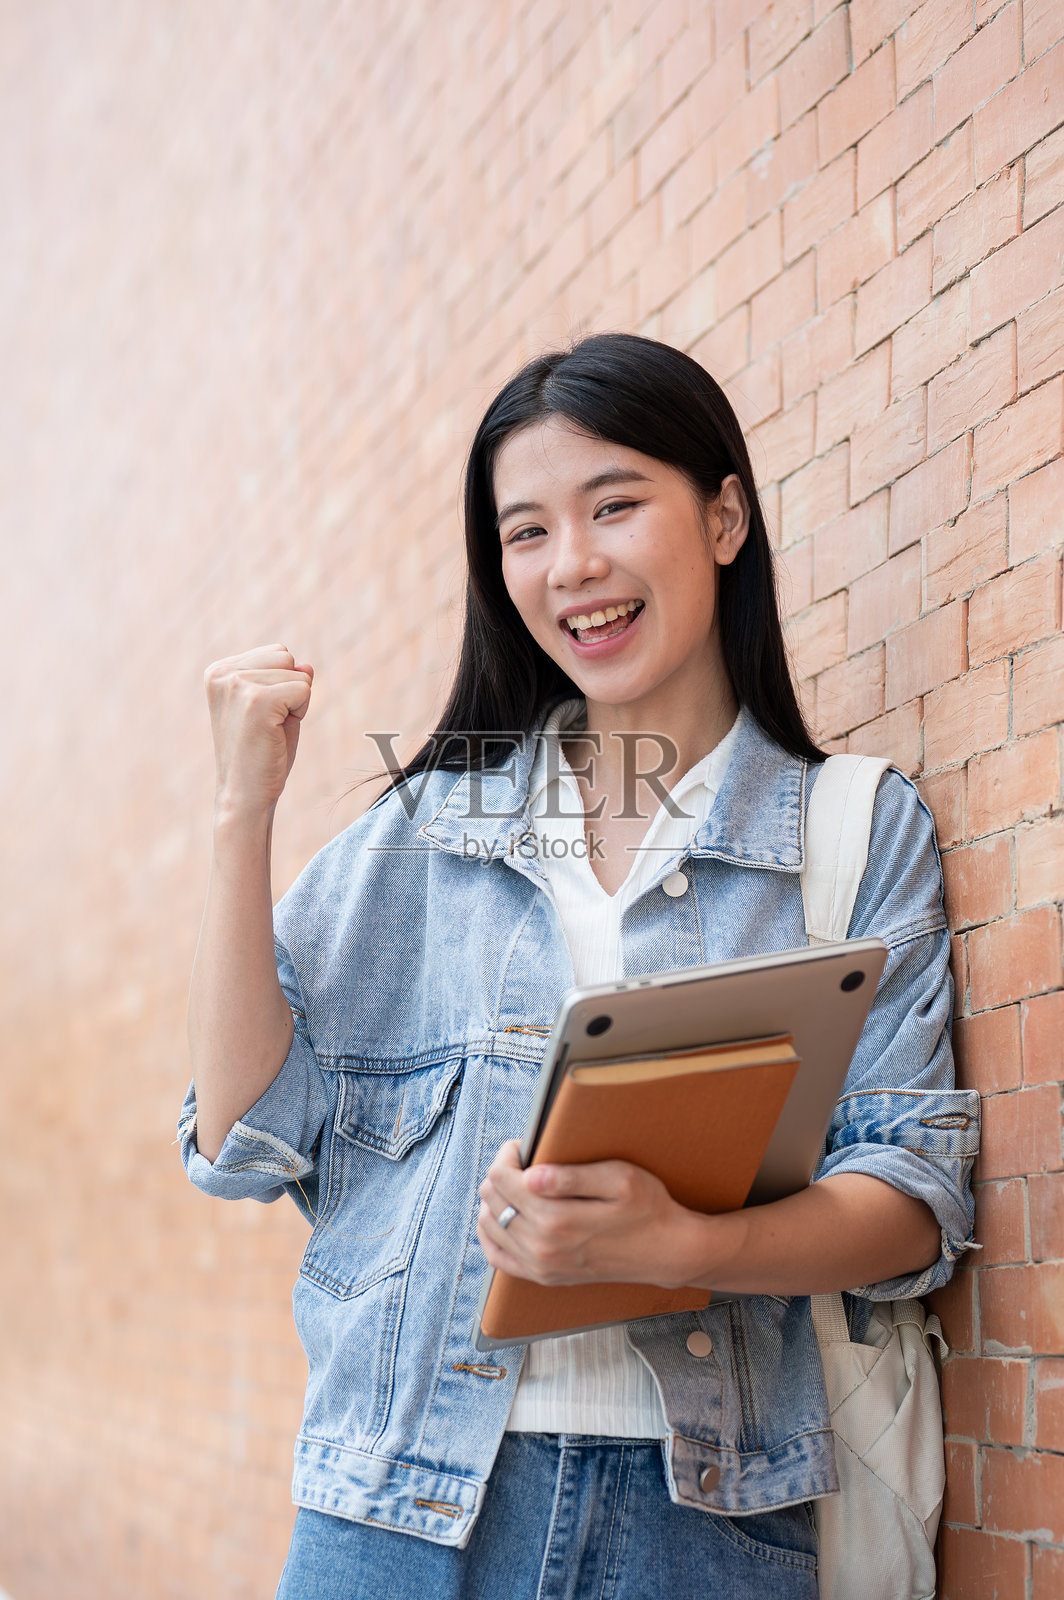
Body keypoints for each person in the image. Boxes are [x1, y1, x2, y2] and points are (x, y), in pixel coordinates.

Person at [180, 334, 978, 1599]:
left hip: (702, 1527)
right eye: (526, 532)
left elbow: (910, 1201)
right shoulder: (419, 836)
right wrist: (240, 817)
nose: (574, 566)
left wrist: (684, 1246)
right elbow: (242, 1139)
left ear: (723, 517)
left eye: (614, 505)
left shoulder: (850, 831)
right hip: (395, 1515)